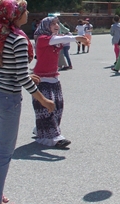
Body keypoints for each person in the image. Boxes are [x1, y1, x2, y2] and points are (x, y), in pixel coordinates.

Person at [0, 0, 55, 204]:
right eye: (25, 10)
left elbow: (7, 70)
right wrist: (43, 100)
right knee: (4, 153)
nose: (28, 14)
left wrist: (26, 76)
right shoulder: (20, 40)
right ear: (15, 15)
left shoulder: (0, 37)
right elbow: (21, 77)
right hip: (7, 99)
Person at [32, 17, 87, 148]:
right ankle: (54, 138)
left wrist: (72, 35)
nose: (57, 25)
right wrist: (76, 38)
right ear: (46, 26)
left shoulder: (55, 38)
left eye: (58, 23)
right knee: (46, 108)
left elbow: (61, 38)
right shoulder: (42, 39)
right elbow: (59, 39)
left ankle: (41, 130)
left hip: (54, 78)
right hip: (41, 79)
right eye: (53, 23)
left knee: (58, 107)